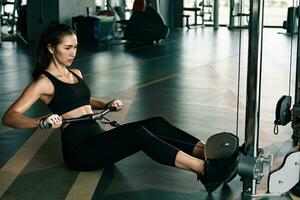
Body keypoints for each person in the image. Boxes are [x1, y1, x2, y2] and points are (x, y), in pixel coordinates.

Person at [1, 22, 238, 193]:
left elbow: (82, 100)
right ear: (51, 48)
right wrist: (40, 122)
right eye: (67, 48)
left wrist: (106, 104)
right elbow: (10, 116)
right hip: (80, 151)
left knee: (154, 122)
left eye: (75, 47)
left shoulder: (75, 73)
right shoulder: (43, 82)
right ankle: (205, 171)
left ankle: (208, 154)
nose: (74, 53)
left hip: (97, 138)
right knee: (138, 135)